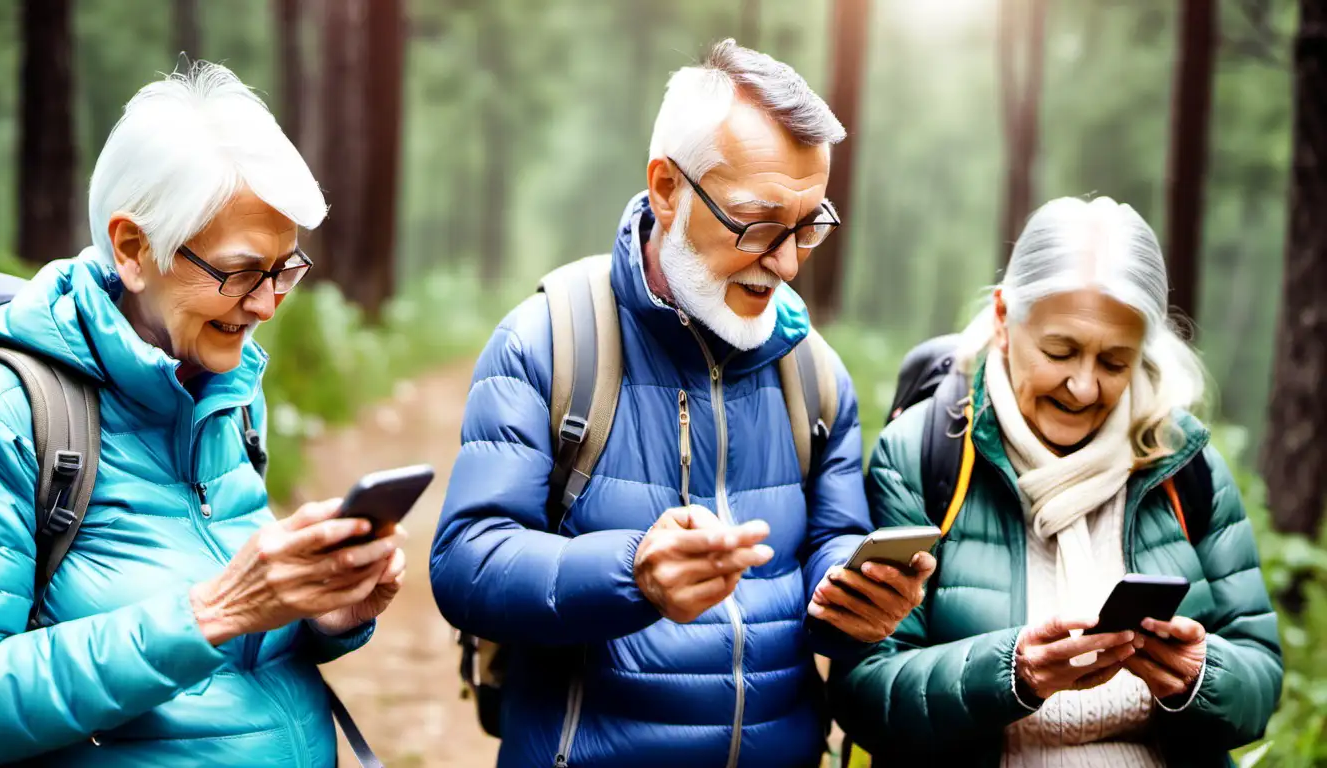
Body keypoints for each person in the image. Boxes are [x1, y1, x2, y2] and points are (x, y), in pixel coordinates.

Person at [430, 40, 932, 768]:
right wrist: (632, 571)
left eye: (810, 225)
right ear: (666, 188)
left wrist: (856, 593)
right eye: (757, 225)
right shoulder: (550, 340)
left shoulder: (816, 373)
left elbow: (829, 550)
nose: (787, 262)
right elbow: (467, 564)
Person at [0, 62, 405, 767]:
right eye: (239, 272)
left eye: (285, 269)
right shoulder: (6, 418)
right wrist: (212, 614)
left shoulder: (226, 393)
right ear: (135, 250)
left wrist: (324, 615)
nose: (265, 304)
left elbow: (243, 649)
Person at [830, 197, 1283, 766]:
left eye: (1116, 362)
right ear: (1002, 318)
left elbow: (1261, 678)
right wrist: (1010, 673)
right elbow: (866, 690)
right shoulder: (924, 457)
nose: (1084, 387)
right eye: (1060, 351)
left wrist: (1200, 676)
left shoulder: (1182, 462)